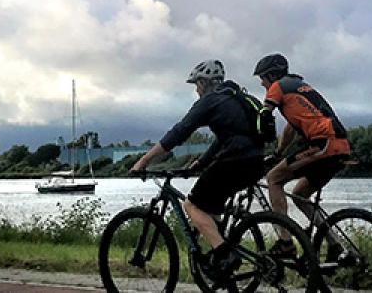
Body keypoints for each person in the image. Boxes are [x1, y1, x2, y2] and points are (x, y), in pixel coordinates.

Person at [130, 59, 265, 281]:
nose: (196, 89)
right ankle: (219, 259)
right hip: (256, 162)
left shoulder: (210, 101)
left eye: (196, 84)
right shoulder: (238, 97)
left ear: (204, 82)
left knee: (192, 205)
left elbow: (179, 133)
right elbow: (226, 139)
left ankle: (225, 254)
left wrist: (143, 161)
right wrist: (201, 164)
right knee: (210, 209)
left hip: (234, 162)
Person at [254, 53, 351, 258]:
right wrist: (279, 154)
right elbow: (291, 127)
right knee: (299, 196)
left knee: (273, 178)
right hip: (340, 146)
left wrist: (257, 139)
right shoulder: (299, 87)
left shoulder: (278, 86)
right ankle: (335, 246)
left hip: (322, 145)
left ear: (271, 75)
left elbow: (265, 113)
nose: (262, 84)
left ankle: (285, 243)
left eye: (262, 79)